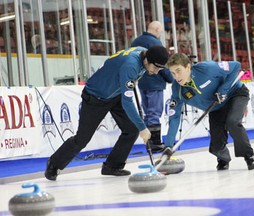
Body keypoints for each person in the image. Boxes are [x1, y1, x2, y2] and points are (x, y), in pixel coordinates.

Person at [44, 45, 169, 180]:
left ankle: (113, 166)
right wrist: (143, 127)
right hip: (95, 97)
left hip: (115, 94)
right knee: (82, 139)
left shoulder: (142, 52)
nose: (156, 72)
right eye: (156, 68)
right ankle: (54, 164)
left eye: (160, 69)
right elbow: (128, 102)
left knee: (131, 129)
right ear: (147, 60)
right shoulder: (131, 66)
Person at [163, 53, 254, 170]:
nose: (176, 76)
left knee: (232, 122)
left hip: (235, 93)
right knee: (216, 146)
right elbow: (174, 117)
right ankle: (223, 158)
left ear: (188, 67)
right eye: (172, 73)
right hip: (215, 106)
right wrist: (168, 145)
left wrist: (223, 90)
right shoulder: (177, 90)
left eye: (178, 71)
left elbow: (235, 66)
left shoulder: (207, 68)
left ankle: (249, 156)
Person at [131, 21, 174, 153]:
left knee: (147, 112)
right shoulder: (155, 43)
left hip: (141, 81)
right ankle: (155, 142)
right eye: (160, 32)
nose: (160, 34)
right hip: (155, 82)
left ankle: (148, 141)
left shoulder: (135, 41)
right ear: (156, 29)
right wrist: (170, 77)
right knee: (155, 112)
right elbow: (163, 64)